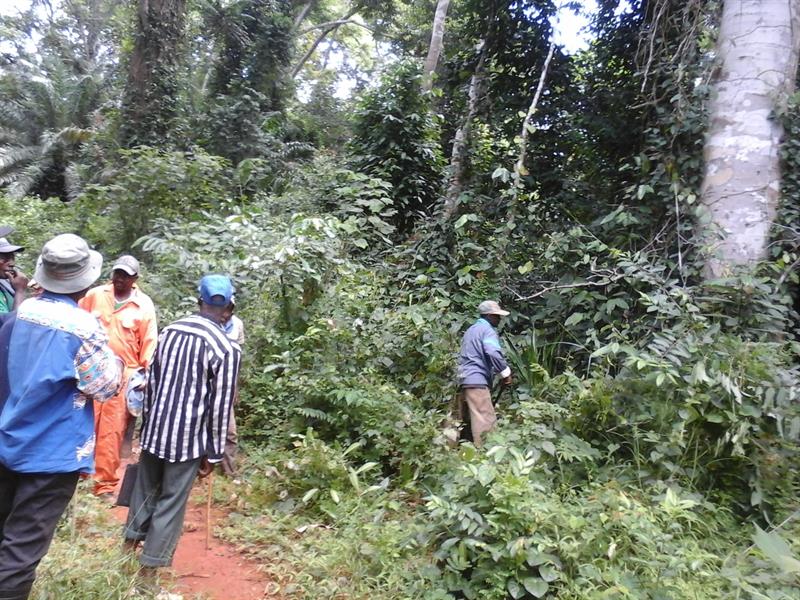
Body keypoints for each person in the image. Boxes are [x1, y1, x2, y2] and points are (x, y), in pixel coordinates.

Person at [0, 234, 122, 600]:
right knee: (21, 549)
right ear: (84, 281)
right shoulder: (82, 329)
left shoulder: (16, 316)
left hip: (6, 442)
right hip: (49, 456)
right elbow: (104, 386)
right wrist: (114, 360)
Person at [123, 274, 241, 573]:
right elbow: (219, 405)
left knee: (145, 490)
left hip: (155, 431)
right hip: (188, 441)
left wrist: (146, 427)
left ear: (199, 301)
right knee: (171, 502)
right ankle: (149, 570)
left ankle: (127, 550)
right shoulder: (227, 349)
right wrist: (213, 453)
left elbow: (151, 383)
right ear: (229, 308)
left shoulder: (170, 332)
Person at [79, 255, 158, 499]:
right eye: (117, 274)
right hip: (90, 370)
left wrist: (146, 375)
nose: (119, 279)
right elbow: (76, 321)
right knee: (83, 422)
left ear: (135, 279)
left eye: (125, 275)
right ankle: (78, 475)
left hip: (123, 376)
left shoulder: (143, 305)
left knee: (111, 433)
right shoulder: (95, 295)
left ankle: (104, 485)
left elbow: (149, 342)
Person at [456, 300, 513, 447]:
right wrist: (505, 373)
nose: (499, 319)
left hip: (463, 380)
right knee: (484, 419)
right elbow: (493, 351)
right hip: (477, 381)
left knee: (460, 419)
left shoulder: (471, 330)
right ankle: (487, 454)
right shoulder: (487, 331)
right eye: (496, 316)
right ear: (488, 315)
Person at [220, 298, 244, 476]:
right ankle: (198, 469)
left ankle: (229, 471)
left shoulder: (237, 325)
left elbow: (238, 358)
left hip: (226, 384)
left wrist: (235, 386)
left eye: (229, 309)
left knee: (230, 432)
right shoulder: (209, 323)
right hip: (206, 384)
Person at [0, 229, 28, 314]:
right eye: (3, 258)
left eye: (12, 257)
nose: (12, 263)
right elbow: (11, 325)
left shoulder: (5, 284)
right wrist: (20, 291)